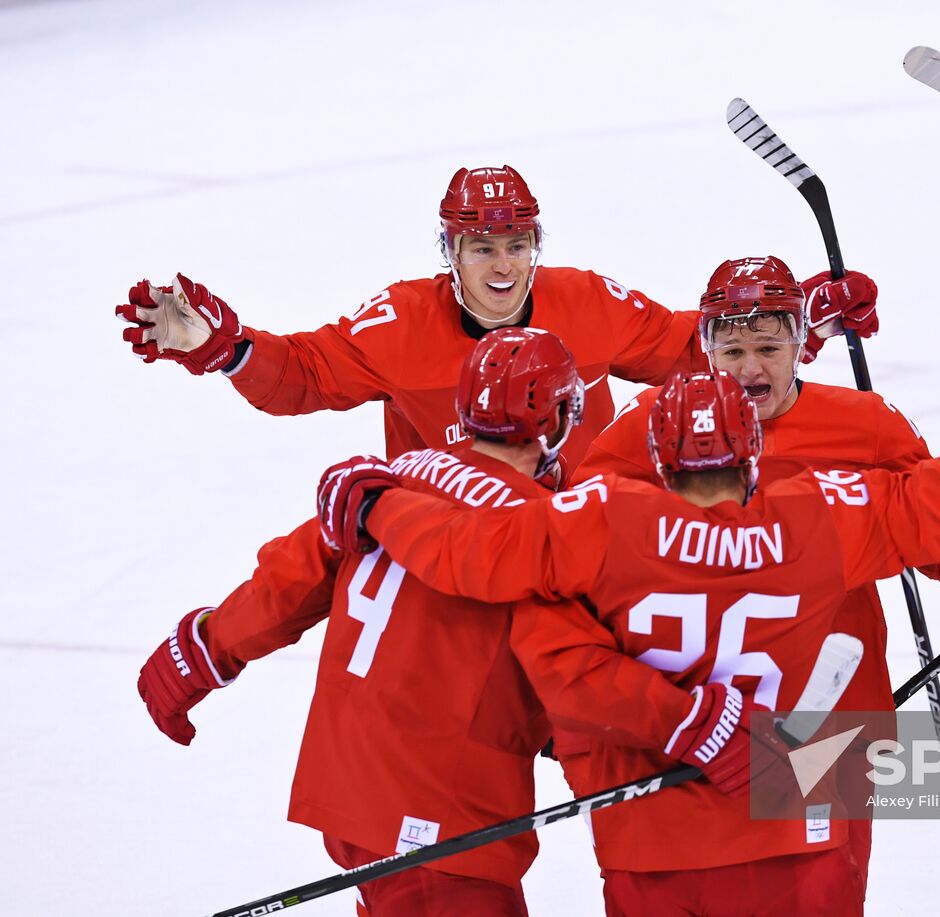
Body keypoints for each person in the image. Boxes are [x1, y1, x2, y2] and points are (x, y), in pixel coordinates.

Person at [317, 337, 940, 915]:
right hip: (802, 832)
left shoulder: (601, 518)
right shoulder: (821, 511)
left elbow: (475, 556)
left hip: (655, 850)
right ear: (754, 456)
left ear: (659, 460)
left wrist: (382, 501)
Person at [135, 327, 612, 916]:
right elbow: (582, 683)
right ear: (562, 414)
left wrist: (202, 652)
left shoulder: (390, 477)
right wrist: (636, 799)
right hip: (444, 805)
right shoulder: (540, 535)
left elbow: (290, 579)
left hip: (352, 784)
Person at [575, 254, 940, 887]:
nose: (749, 369)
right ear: (705, 348)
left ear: (801, 340)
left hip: (834, 713)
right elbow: (576, 542)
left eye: (769, 346)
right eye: (731, 349)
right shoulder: (649, 428)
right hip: (701, 722)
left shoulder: (867, 425)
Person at [113, 165, 879, 472]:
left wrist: (793, 314)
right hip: (465, 557)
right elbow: (304, 378)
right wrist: (223, 346)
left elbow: (692, 347)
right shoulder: (399, 323)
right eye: (482, 246)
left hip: (584, 548)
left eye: (517, 243)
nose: (503, 265)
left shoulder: (588, 302)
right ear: (450, 251)